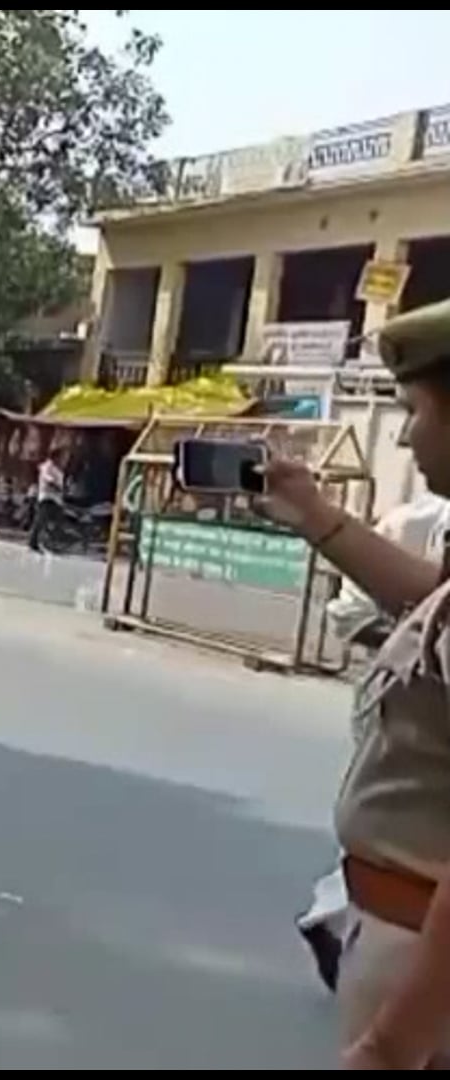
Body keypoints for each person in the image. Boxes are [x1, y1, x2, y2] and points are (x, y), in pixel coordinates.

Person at [254, 298, 450, 1069]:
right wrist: (316, 517)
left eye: (415, 411)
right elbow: (429, 598)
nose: (404, 436)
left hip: (421, 952)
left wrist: (392, 1045)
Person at [26, 448, 66, 552]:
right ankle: (33, 542)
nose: (63, 459)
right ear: (55, 456)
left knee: (56, 522)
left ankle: (52, 542)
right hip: (47, 497)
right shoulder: (47, 466)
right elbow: (47, 478)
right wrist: (55, 485)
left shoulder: (58, 468)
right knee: (41, 520)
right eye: (62, 456)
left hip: (56, 499)